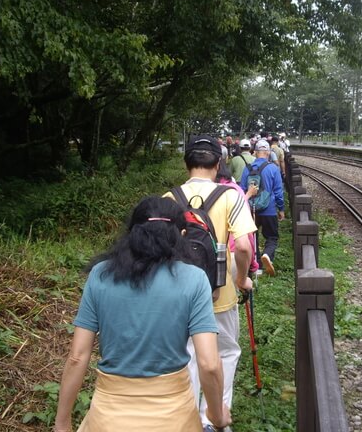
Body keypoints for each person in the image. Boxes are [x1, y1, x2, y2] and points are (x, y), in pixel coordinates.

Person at [53, 196, 231, 432]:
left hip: (108, 418)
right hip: (175, 418)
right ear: (182, 236)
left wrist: (62, 424)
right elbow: (209, 364)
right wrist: (216, 416)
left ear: (131, 234)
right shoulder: (195, 280)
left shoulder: (100, 275)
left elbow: (77, 357)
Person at [164, 134, 256, 431]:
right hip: (221, 291)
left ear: (186, 162)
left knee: (188, 353)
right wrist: (241, 279)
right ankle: (214, 419)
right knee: (225, 352)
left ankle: (189, 418)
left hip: (180, 291)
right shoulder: (232, 196)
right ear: (219, 163)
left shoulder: (168, 199)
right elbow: (243, 247)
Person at [240, 139, 285, 276]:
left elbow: (242, 189)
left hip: (251, 210)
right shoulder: (273, 169)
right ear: (268, 152)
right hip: (269, 209)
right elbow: (278, 191)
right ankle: (267, 255)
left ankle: (257, 266)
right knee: (272, 237)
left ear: (256, 152)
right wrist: (281, 209)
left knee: (253, 237)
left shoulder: (247, 168)